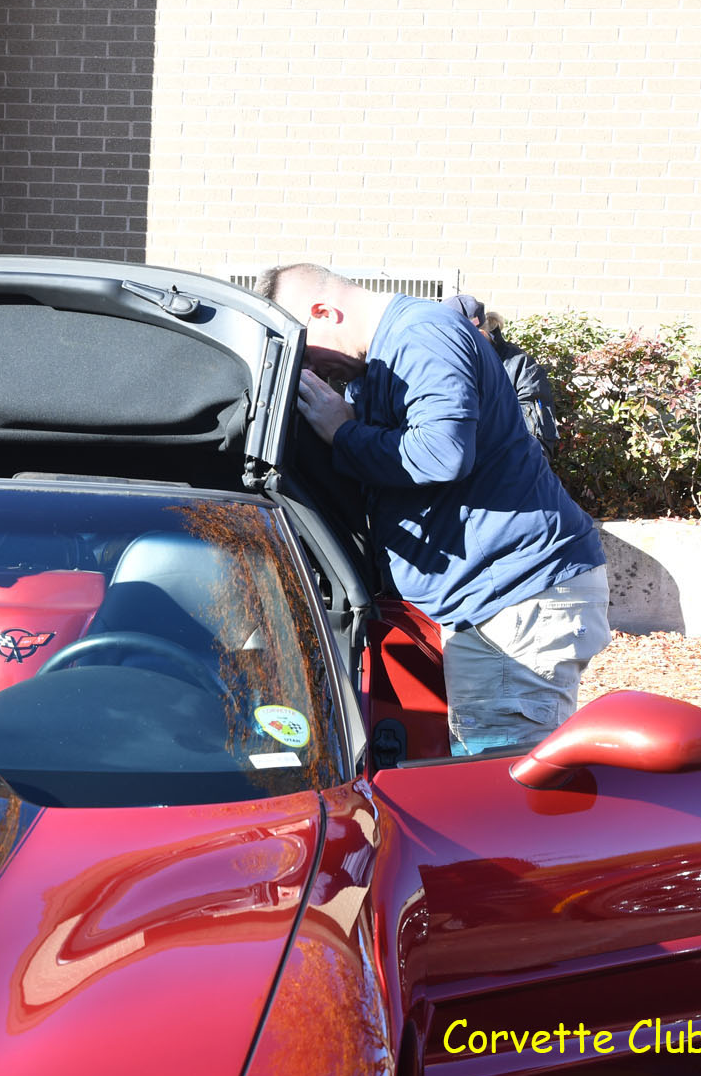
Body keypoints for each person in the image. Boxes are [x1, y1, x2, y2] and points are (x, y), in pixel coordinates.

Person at [261, 263, 609, 756]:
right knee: (479, 772)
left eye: (306, 352)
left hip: (514, 594)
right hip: (490, 598)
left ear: (324, 311)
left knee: (499, 783)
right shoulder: (381, 362)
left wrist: (343, 432)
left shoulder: (422, 335)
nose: (312, 371)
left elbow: (442, 453)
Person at [443, 292, 559, 459]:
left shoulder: (520, 367)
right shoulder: (437, 365)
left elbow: (538, 445)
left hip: (502, 470)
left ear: (481, 335)